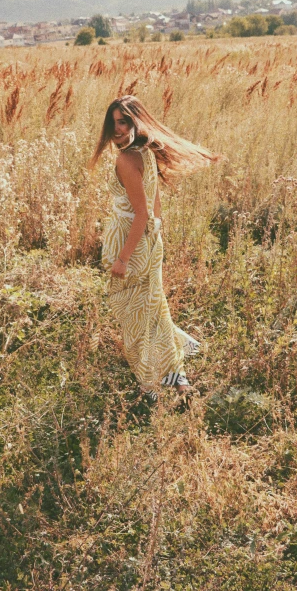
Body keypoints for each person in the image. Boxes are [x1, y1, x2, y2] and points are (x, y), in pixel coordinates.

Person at [90, 95, 221, 403]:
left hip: (132, 243)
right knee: (154, 310)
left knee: (134, 319)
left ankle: (150, 388)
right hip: (148, 240)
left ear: (137, 122)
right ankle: (179, 382)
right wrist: (155, 238)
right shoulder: (144, 152)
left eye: (123, 121)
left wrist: (123, 258)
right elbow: (154, 205)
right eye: (113, 123)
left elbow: (141, 212)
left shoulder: (126, 159)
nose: (117, 129)